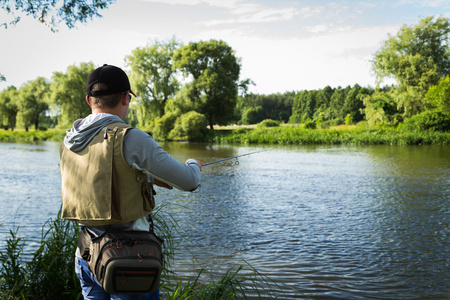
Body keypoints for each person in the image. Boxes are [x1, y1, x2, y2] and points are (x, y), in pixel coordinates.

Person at [60, 64, 203, 299]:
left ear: (89, 100)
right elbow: (189, 181)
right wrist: (193, 165)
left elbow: (99, 175)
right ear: (126, 97)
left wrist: (146, 176)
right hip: (128, 258)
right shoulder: (131, 137)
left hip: (86, 254)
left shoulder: (70, 139)